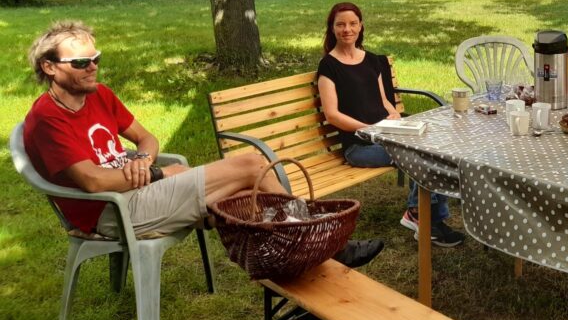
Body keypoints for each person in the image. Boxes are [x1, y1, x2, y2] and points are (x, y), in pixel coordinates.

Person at [22, 20, 385, 268]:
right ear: (50, 68)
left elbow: (145, 137)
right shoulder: (47, 119)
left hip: (138, 188)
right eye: (82, 61)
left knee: (238, 197)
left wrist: (145, 159)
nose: (92, 67)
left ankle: (302, 253)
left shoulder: (99, 95)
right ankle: (319, 244)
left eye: (96, 58)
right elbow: (94, 182)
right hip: (112, 211)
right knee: (250, 166)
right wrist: (160, 172)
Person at [316, 2, 465, 247]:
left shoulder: (372, 60)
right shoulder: (329, 66)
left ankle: (423, 215)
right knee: (419, 155)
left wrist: (393, 114)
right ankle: (425, 219)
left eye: (352, 23)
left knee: (435, 145)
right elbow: (332, 115)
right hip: (359, 145)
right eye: (340, 24)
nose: (347, 29)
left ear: (361, 26)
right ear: (332, 29)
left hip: (387, 132)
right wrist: (367, 128)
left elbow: (383, 99)